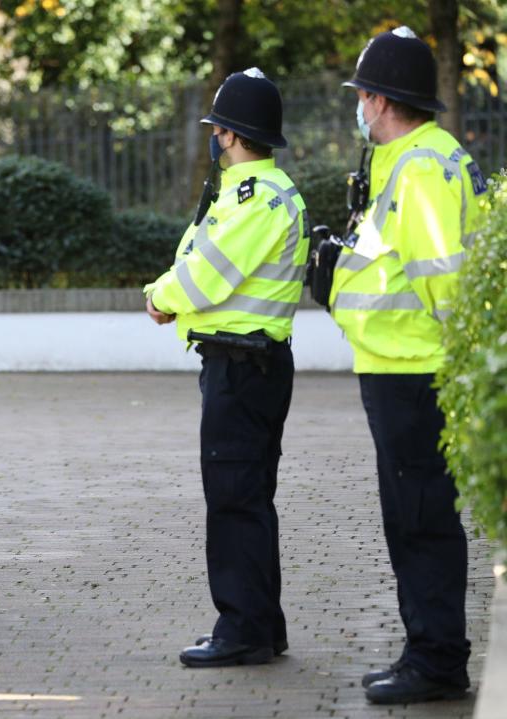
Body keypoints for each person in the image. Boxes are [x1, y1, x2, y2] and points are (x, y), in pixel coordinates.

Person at [329, 27, 487, 704]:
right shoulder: (427, 156)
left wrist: (461, 373)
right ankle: (427, 649)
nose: (359, 109)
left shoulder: (419, 167)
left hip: (414, 370)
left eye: (362, 96)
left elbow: (443, 278)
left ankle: (436, 661)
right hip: (408, 367)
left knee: (420, 518)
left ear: (381, 99)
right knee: (416, 516)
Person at [145, 69, 309, 667]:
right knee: (249, 497)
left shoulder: (255, 197)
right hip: (250, 364)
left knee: (235, 498)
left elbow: (207, 273)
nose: (213, 136)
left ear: (231, 134)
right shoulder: (254, 191)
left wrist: (160, 297)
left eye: (216, 128)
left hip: (242, 366)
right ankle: (262, 626)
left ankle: (242, 630)